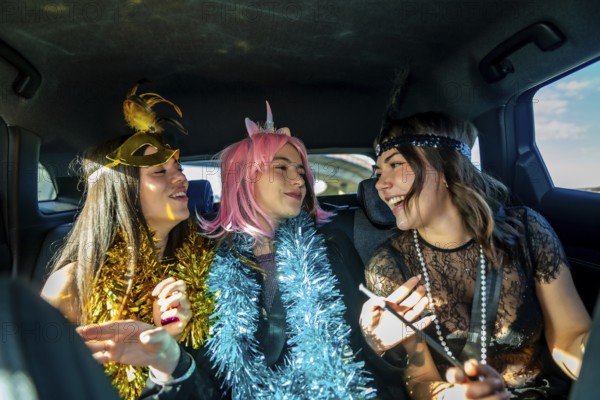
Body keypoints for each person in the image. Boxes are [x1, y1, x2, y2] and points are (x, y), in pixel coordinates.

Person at [359, 111, 591, 399]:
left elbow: (569, 337)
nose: (380, 184)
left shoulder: (528, 231)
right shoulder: (388, 265)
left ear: (444, 169)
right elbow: (420, 377)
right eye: (378, 172)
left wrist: (590, 356)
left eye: (395, 165)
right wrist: (454, 396)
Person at [40, 83, 218, 399]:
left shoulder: (209, 267)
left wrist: (169, 348)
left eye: (177, 167)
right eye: (159, 172)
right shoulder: (71, 285)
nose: (181, 178)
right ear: (123, 191)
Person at [200, 102, 375, 399]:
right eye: (281, 168)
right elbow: (207, 369)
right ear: (245, 178)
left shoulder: (331, 247)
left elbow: (361, 341)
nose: (300, 181)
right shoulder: (210, 264)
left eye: (300, 171)